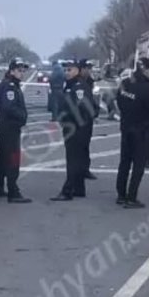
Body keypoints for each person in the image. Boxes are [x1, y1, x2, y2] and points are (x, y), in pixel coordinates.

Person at [114, 57, 149, 208]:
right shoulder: (147, 88)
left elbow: (119, 101)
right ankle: (132, 197)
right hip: (141, 130)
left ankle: (121, 194)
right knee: (138, 165)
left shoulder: (125, 83)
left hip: (126, 127)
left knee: (124, 162)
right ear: (146, 70)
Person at [50, 60, 94, 201]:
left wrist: (69, 119)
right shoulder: (70, 85)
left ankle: (67, 190)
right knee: (78, 159)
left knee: (73, 160)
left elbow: (83, 108)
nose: (67, 72)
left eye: (70, 70)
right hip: (74, 127)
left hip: (76, 128)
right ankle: (79, 188)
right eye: (66, 70)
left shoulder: (79, 86)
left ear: (77, 70)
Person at [0, 59, 32, 204]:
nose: (22, 73)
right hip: (10, 127)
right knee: (13, 159)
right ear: (11, 71)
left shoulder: (11, 84)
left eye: (23, 70)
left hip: (7, 126)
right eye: (19, 70)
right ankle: (13, 192)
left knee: (3, 158)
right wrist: (22, 116)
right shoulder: (9, 86)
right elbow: (9, 107)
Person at [80, 60, 99, 180]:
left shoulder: (90, 82)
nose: (89, 70)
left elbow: (93, 98)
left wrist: (95, 111)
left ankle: (85, 169)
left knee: (86, 145)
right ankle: (78, 170)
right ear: (81, 69)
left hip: (88, 119)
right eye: (87, 68)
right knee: (79, 146)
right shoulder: (77, 82)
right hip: (79, 119)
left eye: (90, 68)